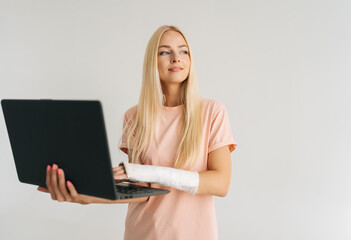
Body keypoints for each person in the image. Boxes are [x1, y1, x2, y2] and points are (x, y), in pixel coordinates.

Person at [37, 25, 237, 240]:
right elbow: (141, 191)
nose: (176, 58)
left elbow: (220, 183)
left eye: (183, 51)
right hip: (142, 233)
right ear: (153, 61)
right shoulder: (134, 117)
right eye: (165, 52)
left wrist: (146, 172)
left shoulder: (213, 112)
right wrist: (89, 197)